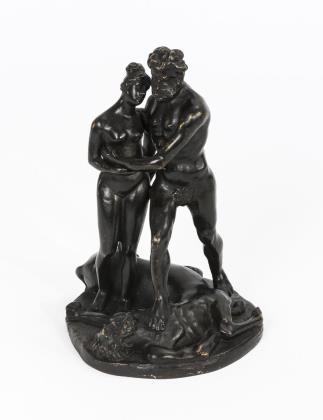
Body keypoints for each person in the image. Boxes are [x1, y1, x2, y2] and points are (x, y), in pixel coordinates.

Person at [105, 47, 234, 330]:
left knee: (208, 235)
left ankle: (219, 275)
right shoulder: (153, 103)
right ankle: (161, 301)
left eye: (163, 79)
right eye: (154, 77)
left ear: (179, 77)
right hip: (166, 182)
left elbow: (162, 157)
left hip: (197, 181)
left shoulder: (196, 108)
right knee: (157, 242)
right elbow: (149, 146)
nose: (156, 84)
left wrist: (118, 162)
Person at [88, 63, 161, 312]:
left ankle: (123, 297)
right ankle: (103, 292)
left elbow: (151, 148)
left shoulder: (142, 119)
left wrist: (145, 171)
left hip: (137, 187)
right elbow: (94, 159)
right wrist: (124, 167)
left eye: (143, 91)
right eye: (136, 88)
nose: (139, 95)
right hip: (110, 187)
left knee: (129, 248)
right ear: (124, 86)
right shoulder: (102, 123)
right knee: (108, 247)